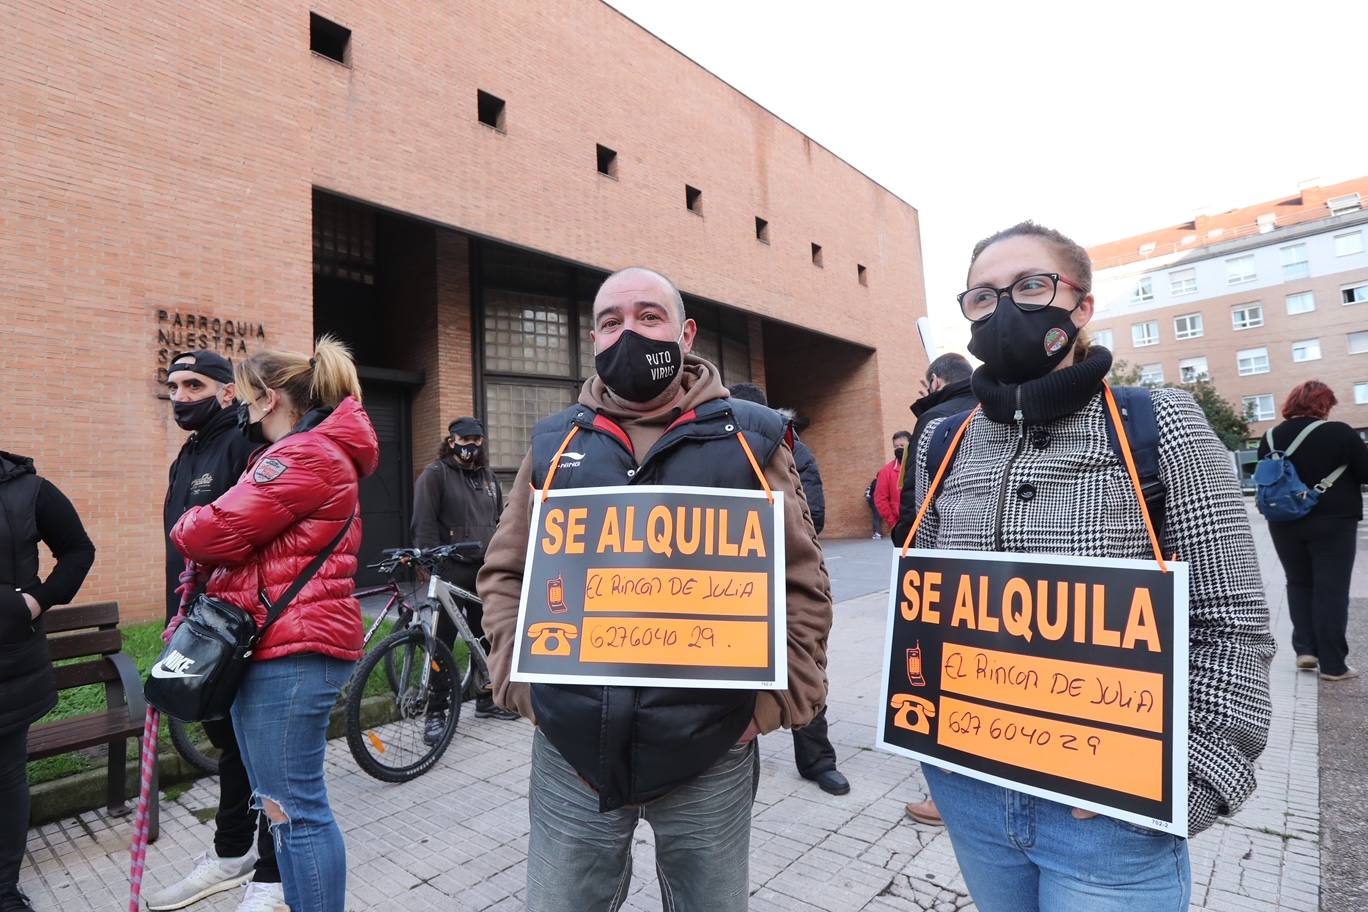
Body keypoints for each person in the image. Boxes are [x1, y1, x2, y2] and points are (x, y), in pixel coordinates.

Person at [905, 222, 1273, 911]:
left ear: (1082, 306)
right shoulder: (941, 441)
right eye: (982, 296)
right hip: (971, 790)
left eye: (1031, 286)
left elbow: (1232, 620)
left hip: (1110, 818)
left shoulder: (1160, 423)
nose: (1004, 307)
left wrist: (1193, 782)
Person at [479, 267, 833, 912]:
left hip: (713, 752)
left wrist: (771, 704)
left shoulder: (753, 438)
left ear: (685, 332)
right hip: (570, 750)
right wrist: (520, 682)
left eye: (649, 317)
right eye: (612, 322)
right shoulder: (555, 443)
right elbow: (505, 572)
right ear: (592, 339)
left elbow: (802, 581)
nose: (629, 334)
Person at [170, 337, 379, 912]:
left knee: (296, 810)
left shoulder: (304, 455)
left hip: (293, 650)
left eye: (247, 395)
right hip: (287, 644)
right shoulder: (306, 452)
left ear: (267, 400)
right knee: (284, 806)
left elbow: (205, 532)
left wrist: (192, 516)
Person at [147, 351, 279, 912]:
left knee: (264, 750)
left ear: (228, 393)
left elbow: (255, 537)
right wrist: (178, 620)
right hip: (199, 626)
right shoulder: (188, 454)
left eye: (194, 384)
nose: (180, 395)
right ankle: (231, 853)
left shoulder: (248, 446)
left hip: (246, 630)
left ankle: (273, 873)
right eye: (173, 385)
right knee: (229, 744)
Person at [728, 382, 850, 797]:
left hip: (782, 579)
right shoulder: (715, 445)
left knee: (800, 666)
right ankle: (731, 756)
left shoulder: (795, 451)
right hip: (730, 586)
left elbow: (813, 514)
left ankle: (817, 760)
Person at [0, 454, 95, 912]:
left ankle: (3, 889)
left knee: (4, 774)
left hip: (9, 664)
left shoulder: (29, 489)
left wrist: (34, 603)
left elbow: (78, 550)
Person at [411, 416, 517, 736]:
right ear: (452, 440)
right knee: (443, 641)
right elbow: (424, 523)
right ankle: (437, 709)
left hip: (483, 569)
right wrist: (433, 568)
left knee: (485, 635)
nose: (470, 445)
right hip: (450, 571)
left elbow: (499, 521)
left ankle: (487, 697)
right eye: (464, 439)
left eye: (476, 440)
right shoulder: (435, 475)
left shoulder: (487, 478)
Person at [1257, 380, 1368, 681]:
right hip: (1333, 520)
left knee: (1298, 583)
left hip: (1283, 521)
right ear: (1324, 405)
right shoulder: (1340, 433)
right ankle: (1333, 665)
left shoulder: (1269, 437)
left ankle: (1305, 650)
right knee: (1330, 590)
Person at [891, 353, 977, 547]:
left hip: (945, 535)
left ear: (935, 381)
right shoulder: (991, 407)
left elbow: (916, 490)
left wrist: (905, 540)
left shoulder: (934, 417)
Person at [873, 431, 911, 534]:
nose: (899, 449)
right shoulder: (886, 472)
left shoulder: (919, 466)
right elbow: (880, 499)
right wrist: (894, 524)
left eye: (902, 445)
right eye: (896, 446)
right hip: (901, 525)